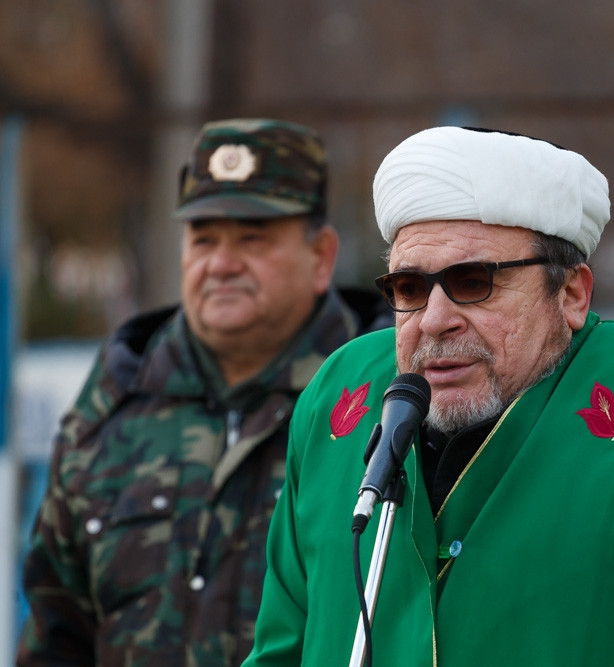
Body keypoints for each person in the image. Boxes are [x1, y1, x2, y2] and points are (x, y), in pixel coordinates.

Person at [244, 126, 614, 666]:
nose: (434, 320)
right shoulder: (339, 395)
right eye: (410, 287)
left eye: (474, 282)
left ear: (571, 294)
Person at [17, 118, 392, 666]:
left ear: (321, 257)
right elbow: (55, 630)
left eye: (252, 239)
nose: (221, 264)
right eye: (203, 238)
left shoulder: (383, 404)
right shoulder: (111, 406)